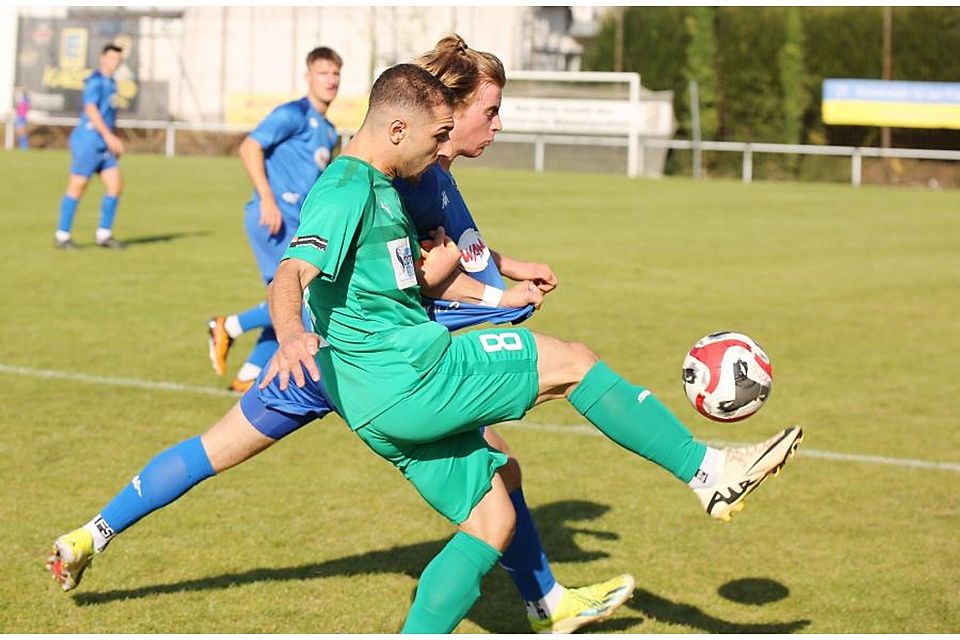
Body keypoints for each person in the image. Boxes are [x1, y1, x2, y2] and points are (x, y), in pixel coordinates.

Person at [45, 40, 638, 634]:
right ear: (445, 116)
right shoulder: (407, 176)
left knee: (213, 449)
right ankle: (547, 601)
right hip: (384, 367)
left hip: (332, 361)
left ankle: (90, 533)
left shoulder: (417, 169)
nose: (496, 124)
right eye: (488, 111)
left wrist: (502, 274)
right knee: (499, 471)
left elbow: (446, 260)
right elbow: (416, 281)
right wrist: (486, 295)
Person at [263, 61, 803, 634]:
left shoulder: (384, 188)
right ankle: (708, 472)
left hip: (372, 402)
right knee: (572, 360)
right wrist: (293, 335)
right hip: (412, 374)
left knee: (492, 520)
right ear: (397, 130)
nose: (444, 147)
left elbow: (392, 280)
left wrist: (483, 282)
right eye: (438, 135)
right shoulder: (347, 187)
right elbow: (291, 273)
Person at [207, 47, 342, 393]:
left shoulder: (328, 131)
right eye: (324, 73)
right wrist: (267, 199)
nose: (330, 80)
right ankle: (228, 326)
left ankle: (249, 375)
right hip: (274, 219)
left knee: (285, 298)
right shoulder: (292, 114)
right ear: (308, 76)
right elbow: (249, 147)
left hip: (299, 227)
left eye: (335, 73)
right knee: (295, 295)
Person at [54, 43, 126, 250]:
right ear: (103, 58)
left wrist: (115, 138)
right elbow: (91, 109)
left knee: (116, 186)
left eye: (118, 59)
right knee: (77, 187)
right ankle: (62, 236)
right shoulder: (96, 81)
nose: (115, 62)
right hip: (89, 141)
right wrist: (108, 136)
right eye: (111, 58)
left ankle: (104, 235)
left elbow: (110, 115)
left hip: (105, 143)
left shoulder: (112, 83)